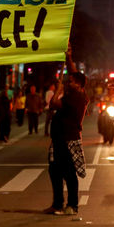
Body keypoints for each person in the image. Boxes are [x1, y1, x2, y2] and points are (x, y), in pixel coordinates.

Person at [44, 47, 88, 216]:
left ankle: (72, 204)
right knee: (54, 170)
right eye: (68, 81)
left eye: (71, 82)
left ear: (79, 85)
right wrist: (69, 58)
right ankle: (57, 204)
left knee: (69, 172)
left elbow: (53, 103)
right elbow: (73, 72)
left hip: (68, 139)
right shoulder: (73, 92)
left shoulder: (77, 97)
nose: (69, 83)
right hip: (58, 139)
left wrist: (59, 90)